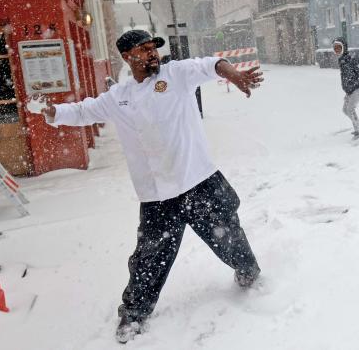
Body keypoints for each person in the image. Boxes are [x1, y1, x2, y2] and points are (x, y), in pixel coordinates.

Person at [33, 30, 263, 344]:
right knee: (149, 259)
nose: (152, 53)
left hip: (198, 181)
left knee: (228, 234)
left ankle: (249, 273)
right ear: (128, 58)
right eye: (143, 50)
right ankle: (134, 314)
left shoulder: (177, 74)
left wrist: (234, 74)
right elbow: (85, 111)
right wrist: (54, 113)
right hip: (157, 195)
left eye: (153, 48)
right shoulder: (119, 97)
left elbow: (212, 64)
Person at [333, 37, 359, 139]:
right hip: (351, 90)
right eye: (335, 49)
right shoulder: (342, 60)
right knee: (345, 110)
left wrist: (353, 86)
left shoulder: (352, 59)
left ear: (344, 48)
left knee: (350, 109)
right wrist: (348, 90)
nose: (337, 50)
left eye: (339, 48)